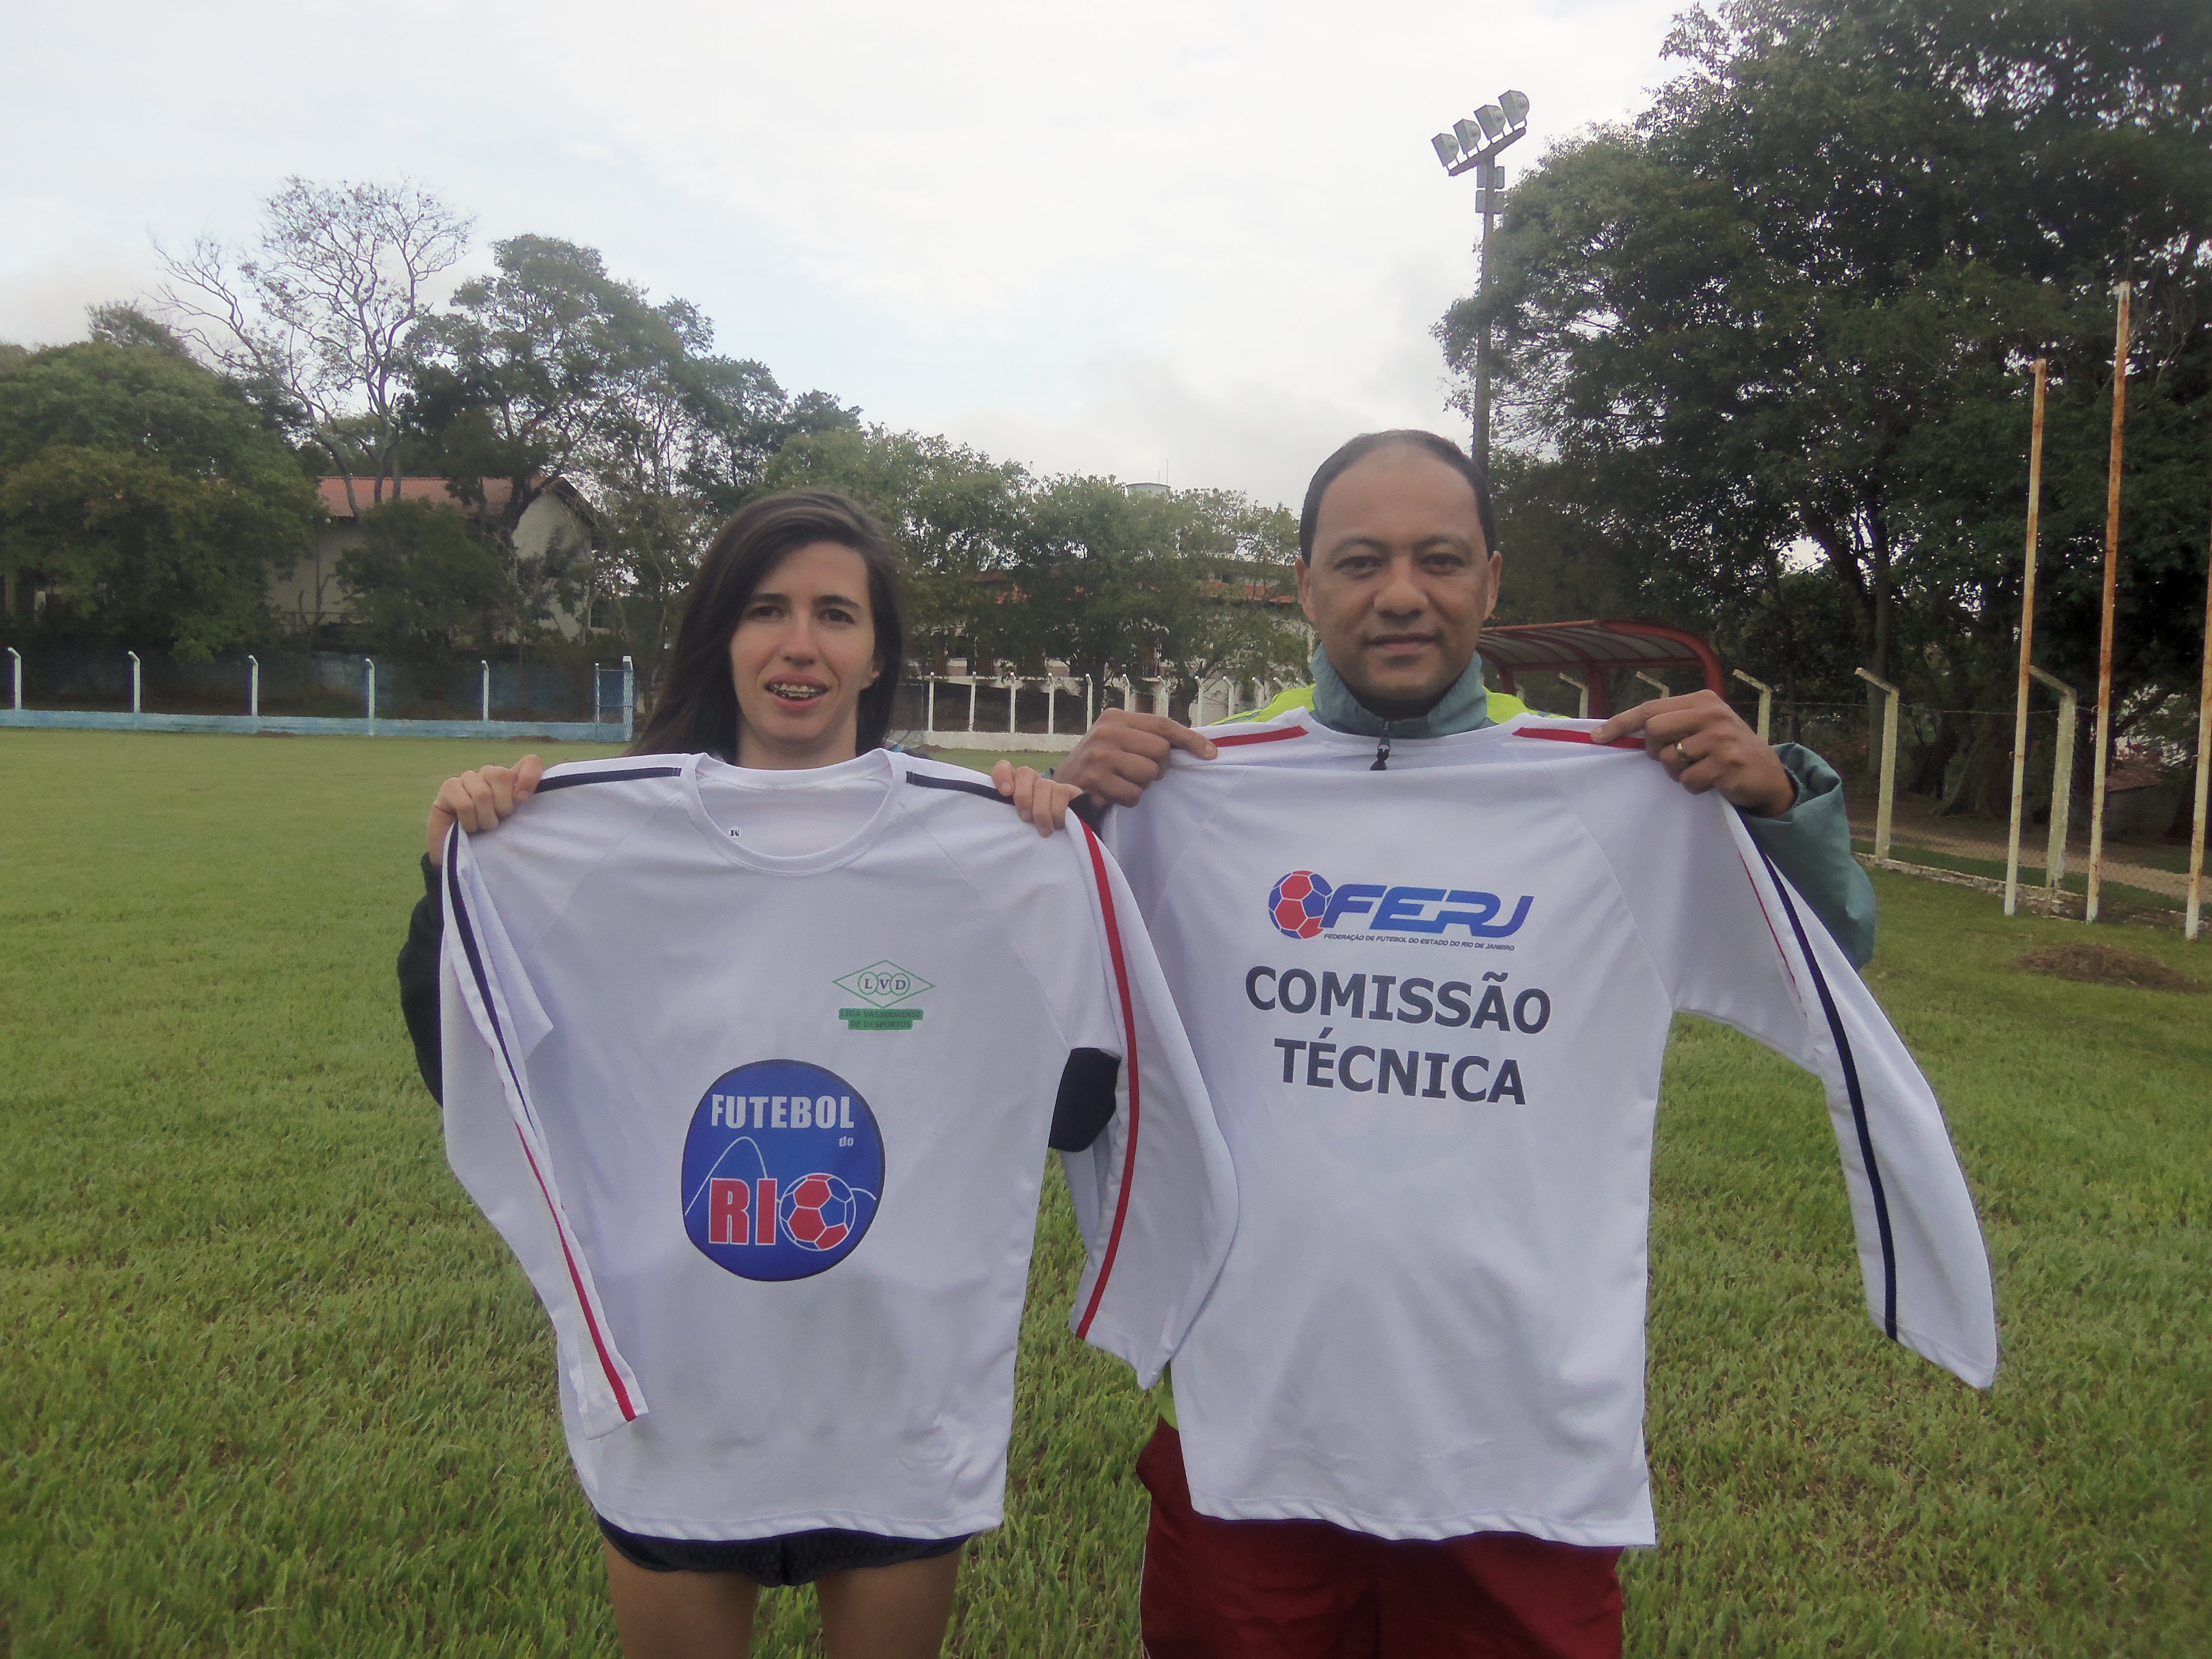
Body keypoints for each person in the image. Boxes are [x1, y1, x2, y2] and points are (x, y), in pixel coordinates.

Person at [991, 430, 1899, 1658]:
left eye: (1440, 559)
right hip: (1257, 1415)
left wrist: (1779, 811)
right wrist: (1061, 828)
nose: (1402, 593)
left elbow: (1830, 950)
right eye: (1361, 562)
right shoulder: (1191, 790)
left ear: (1492, 581)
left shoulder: (1615, 792)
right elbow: (1029, 1029)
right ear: (1304, 585)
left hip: (1520, 1438)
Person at [394, 492, 1237, 1659]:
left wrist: (1047, 880)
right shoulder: (584, 842)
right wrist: (455, 883)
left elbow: (1074, 1110)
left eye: (835, 614)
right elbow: (472, 1074)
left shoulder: (990, 847)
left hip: (896, 1390)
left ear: (878, 649)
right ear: (720, 639)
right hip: (676, 1392)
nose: (800, 644)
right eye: (765, 610)